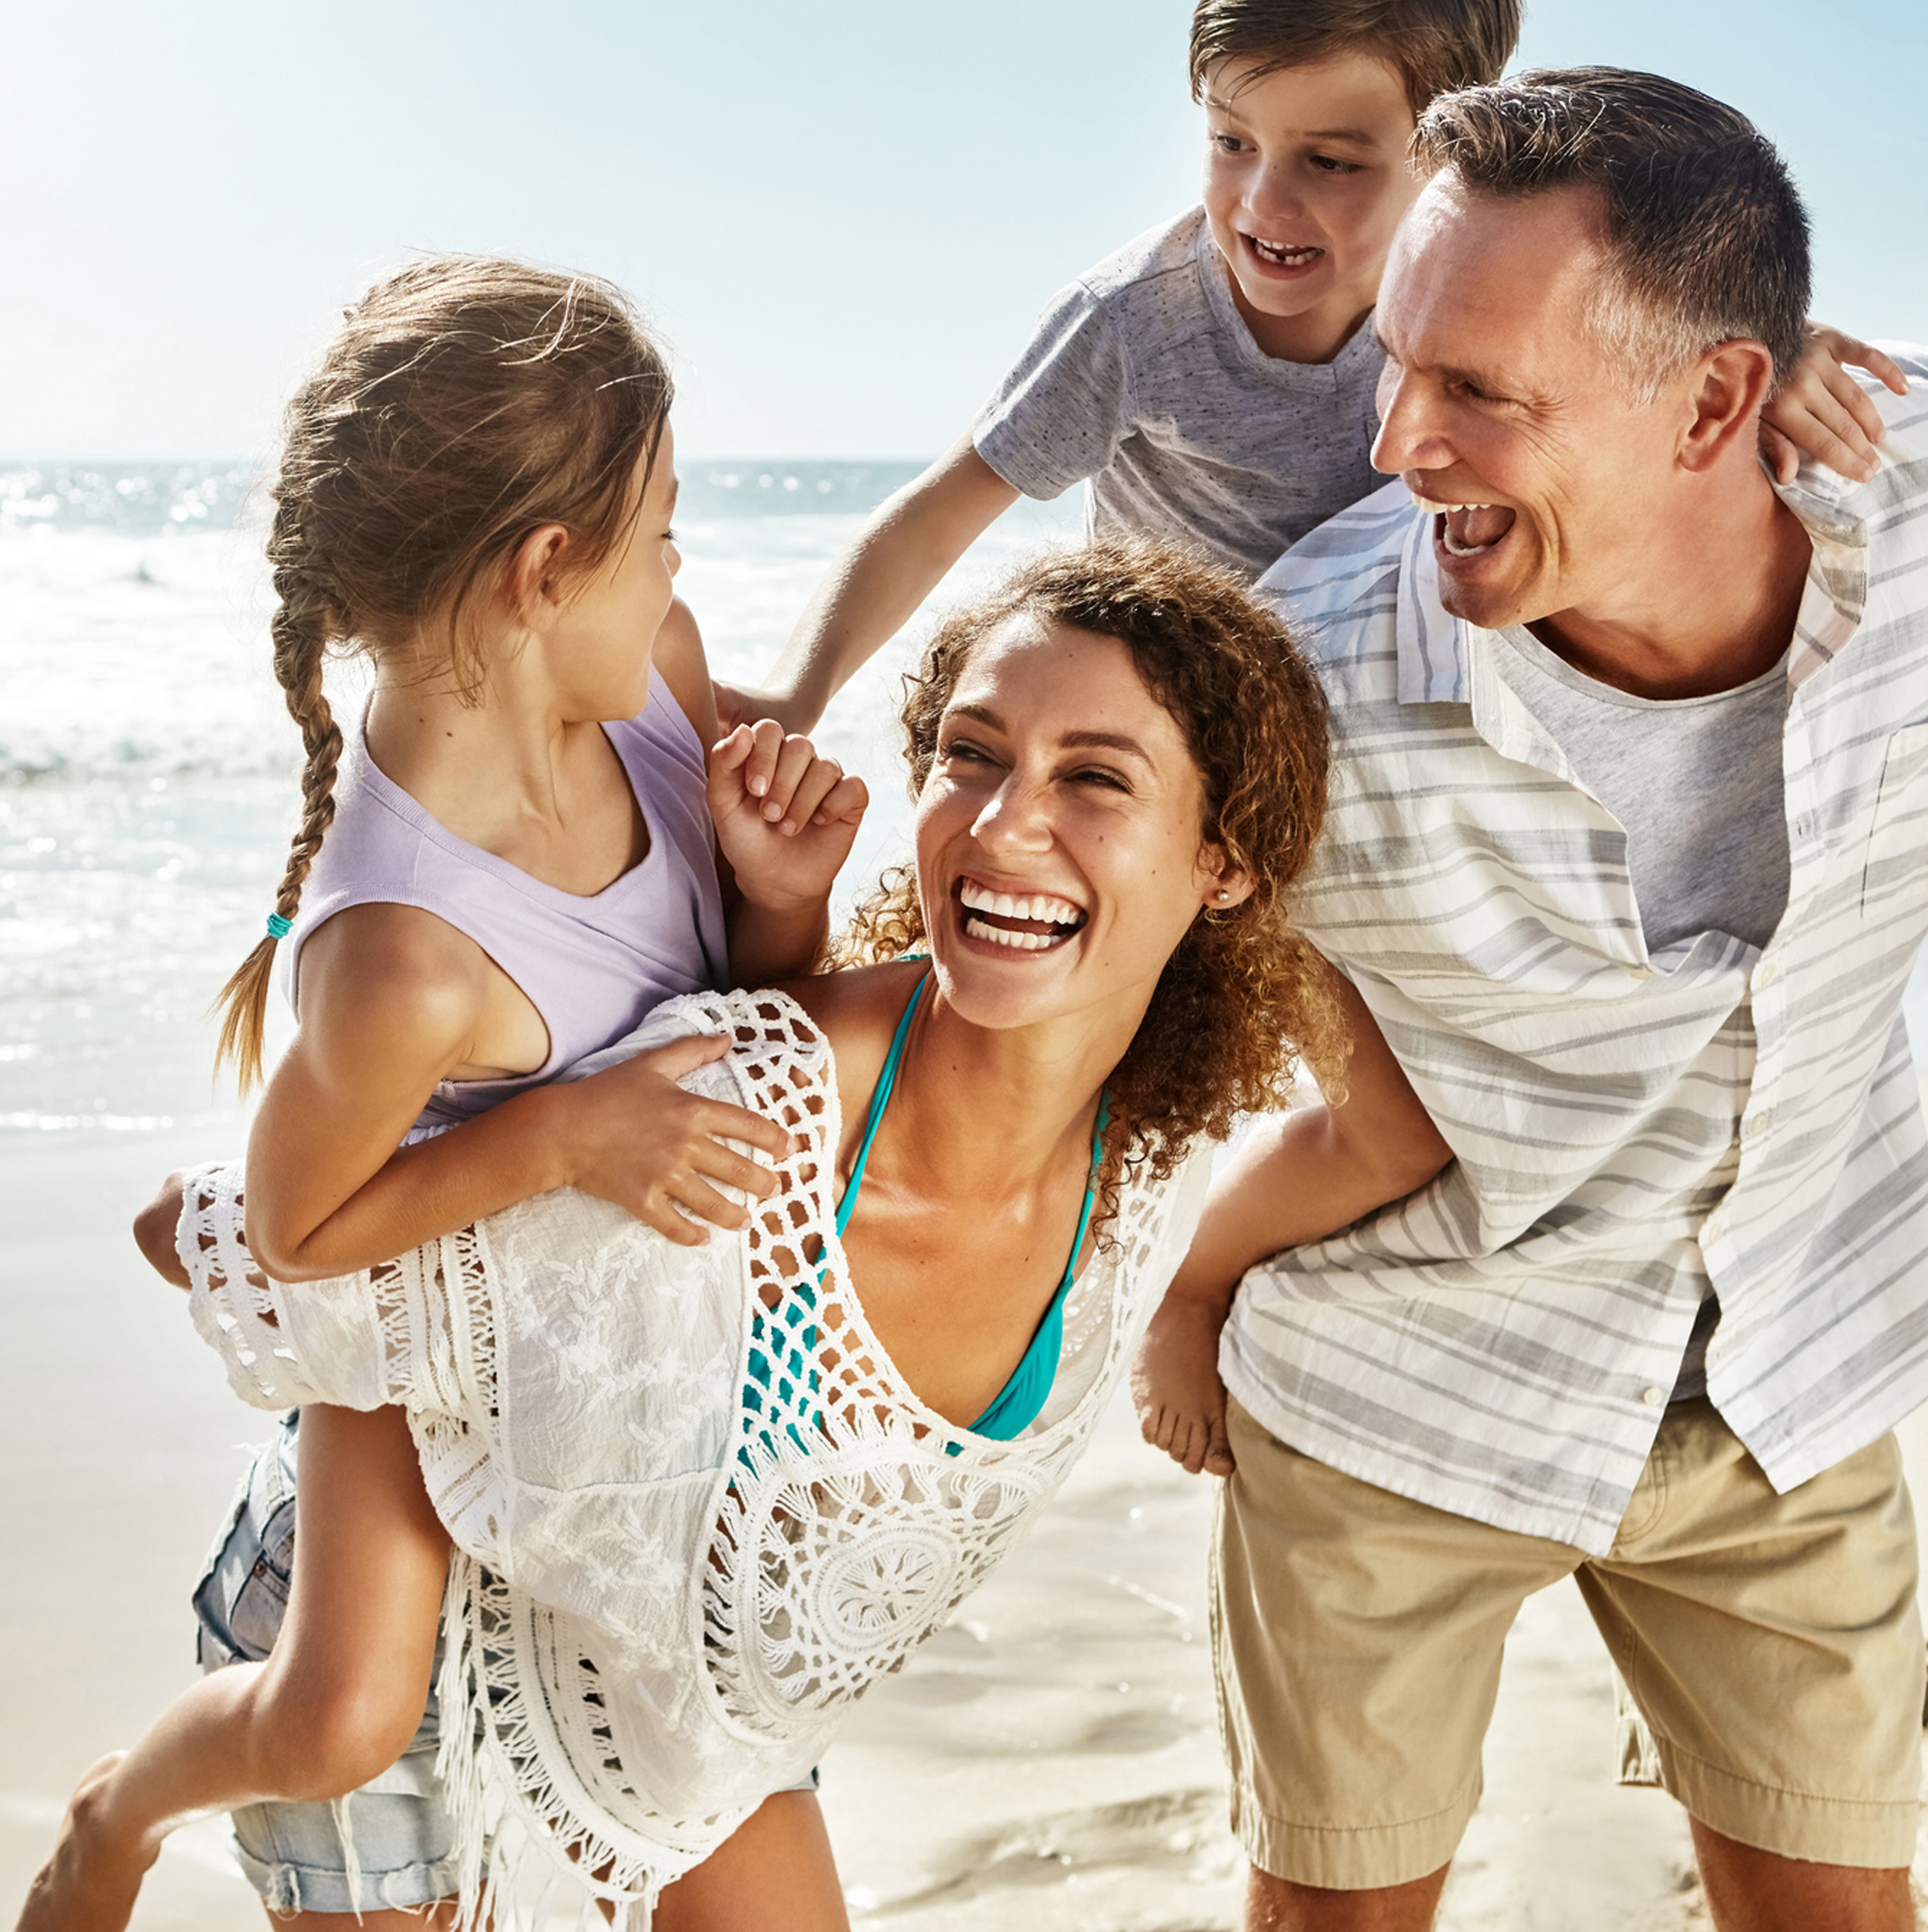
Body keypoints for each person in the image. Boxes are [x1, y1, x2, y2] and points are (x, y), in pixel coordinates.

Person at [23, 540, 1451, 1930]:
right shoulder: (737, 1108)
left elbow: (1386, 1129)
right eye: (970, 754)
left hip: (670, 1662)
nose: (1004, 824)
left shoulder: (1149, 1167)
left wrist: (1198, 1307)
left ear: (1228, 862)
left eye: (1094, 778)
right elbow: (210, 1234)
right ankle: (117, 1814)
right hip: (403, 1594)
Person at [1137, 66, 1928, 1932]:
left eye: (1476, 391)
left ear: (1719, 398)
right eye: (1395, 364)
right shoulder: (1300, 680)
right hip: (1400, 1388)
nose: (1398, 442)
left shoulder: (1903, 546)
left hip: (1782, 1371)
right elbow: (1072, 968)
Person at [14, 256, 868, 1930]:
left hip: (618, 1375)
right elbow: (300, 1231)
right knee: (338, 1715)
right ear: (547, 570)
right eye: (667, 525)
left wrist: (781, 895)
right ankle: (118, 1813)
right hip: (422, 1333)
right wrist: (559, 1131)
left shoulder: (656, 691)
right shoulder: (405, 953)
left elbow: (742, 1034)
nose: (684, 568)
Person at [716, 0, 1898, 739]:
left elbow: (1649, 297)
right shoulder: (1139, 321)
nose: (1262, 201)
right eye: (1230, 141)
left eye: (1331, 161)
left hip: (1398, 700)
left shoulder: (1492, 290)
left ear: (1446, 151)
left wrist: (1777, 350)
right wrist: (794, 698)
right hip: (1187, 702)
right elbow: (940, 511)